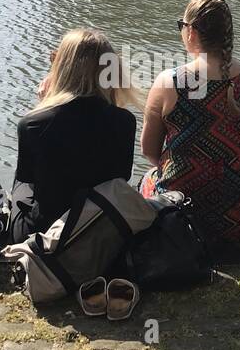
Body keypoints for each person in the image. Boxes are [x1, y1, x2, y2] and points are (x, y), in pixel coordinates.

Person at [141, 0, 240, 243]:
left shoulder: (169, 82)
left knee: (147, 179)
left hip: (181, 217)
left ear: (191, 33)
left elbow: (149, 150)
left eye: (182, 25)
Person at [9, 28, 141, 242]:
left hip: (45, 235)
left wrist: (42, 106)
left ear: (63, 68)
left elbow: (28, 178)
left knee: (21, 186)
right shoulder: (125, 121)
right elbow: (120, 178)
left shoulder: (32, 124)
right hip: (101, 233)